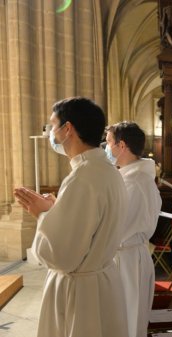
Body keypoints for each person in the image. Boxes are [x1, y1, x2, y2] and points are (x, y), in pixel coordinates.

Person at [14, 97, 128, 337]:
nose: (50, 132)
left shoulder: (83, 177)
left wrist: (42, 214)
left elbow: (62, 257)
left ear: (68, 129)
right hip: (101, 284)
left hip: (81, 295)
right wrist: (57, 208)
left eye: (52, 125)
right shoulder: (108, 171)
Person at [105, 122, 161, 337]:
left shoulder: (134, 181)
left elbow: (115, 227)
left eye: (109, 142)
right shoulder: (130, 177)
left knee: (127, 321)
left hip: (127, 259)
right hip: (126, 256)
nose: (106, 148)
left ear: (122, 145)